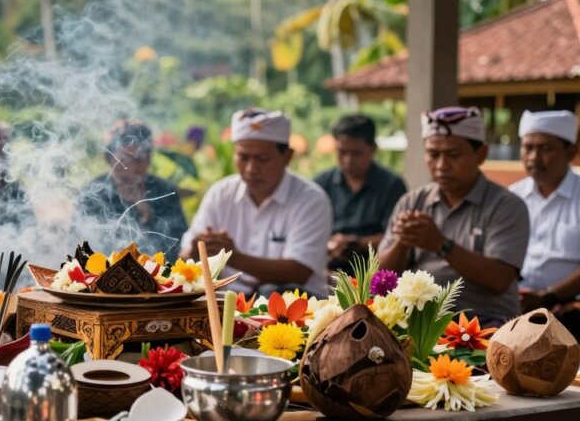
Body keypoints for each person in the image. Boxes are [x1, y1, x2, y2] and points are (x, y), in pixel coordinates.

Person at [379, 106, 529, 327]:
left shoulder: (506, 205)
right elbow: (382, 280)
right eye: (433, 154)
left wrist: (441, 244)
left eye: (453, 155)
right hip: (417, 323)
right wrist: (403, 242)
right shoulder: (412, 201)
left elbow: (499, 279)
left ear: (481, 155)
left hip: (484, 324)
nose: (441, 165)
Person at [181, 108, 332, 298]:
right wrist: (197, 252)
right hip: (227, 303)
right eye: (243, 158)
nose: (251, 169)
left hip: (294, 308)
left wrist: (232, 257)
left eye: (262, 159)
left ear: (287, 157)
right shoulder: (220, 193)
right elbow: (186, 257)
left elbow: (298, 271)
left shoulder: (311, 199)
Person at [510, 110, 580, 336]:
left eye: (545, 148)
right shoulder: (512, 197)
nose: (533, 157)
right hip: (515, 307)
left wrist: (549, 297)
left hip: (569, 310)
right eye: (528, 147)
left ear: (571, 151)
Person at [77, 120, 188, 259]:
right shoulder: (92, 194)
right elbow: (77, 246)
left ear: (149, 160)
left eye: (140, 158)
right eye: (125, 159)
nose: (132, 168)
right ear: (108, 158)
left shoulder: (165, 192)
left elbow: (178, 249)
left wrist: (147, 215)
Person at [314, 115, 407, 271]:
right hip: (326, 269)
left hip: (375, 272)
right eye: (342, 152)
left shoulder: (392, 185)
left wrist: (358, 243)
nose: (348, 160)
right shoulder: (321, 184)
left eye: (356, 153)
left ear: (373, 149)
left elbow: (397, 237)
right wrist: (332, 242)